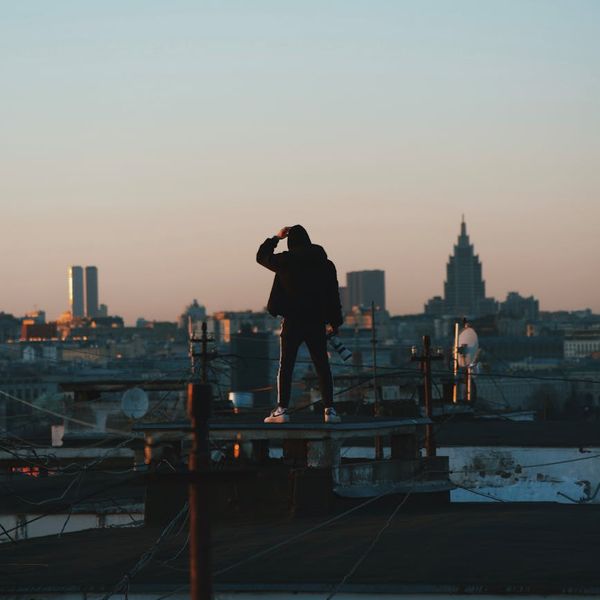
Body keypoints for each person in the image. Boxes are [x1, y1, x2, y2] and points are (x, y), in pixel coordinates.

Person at [257, 225, 343, 423]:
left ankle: (282, 410)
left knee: (286, 365)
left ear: (291, 243)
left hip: (293, 320)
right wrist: (334, 322)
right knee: (322, 364)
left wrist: (276, 238)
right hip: (317, 321)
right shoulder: (325, 264)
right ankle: (330, 410)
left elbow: (262, 257)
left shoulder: (286, 261)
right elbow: (333, 294)